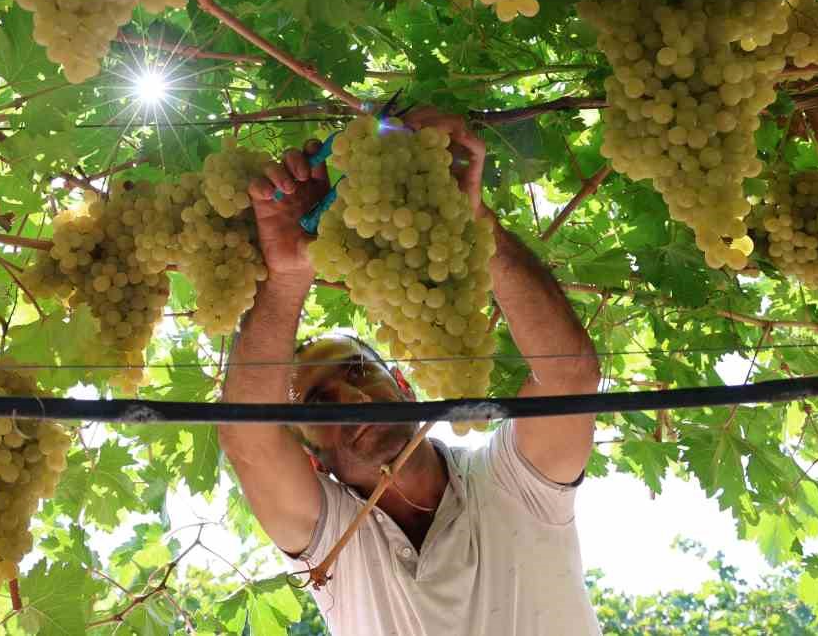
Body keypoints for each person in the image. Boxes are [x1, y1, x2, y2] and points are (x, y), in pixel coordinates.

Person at [217, 108, 604, 636]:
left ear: (401, 382)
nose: (352, 401)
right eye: (319, 406)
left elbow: (570, 377)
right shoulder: (331, 544)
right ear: (310, 456)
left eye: (358, 372)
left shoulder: (509, 483)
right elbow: (250, 441)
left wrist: (473, 223)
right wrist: (286, 277)